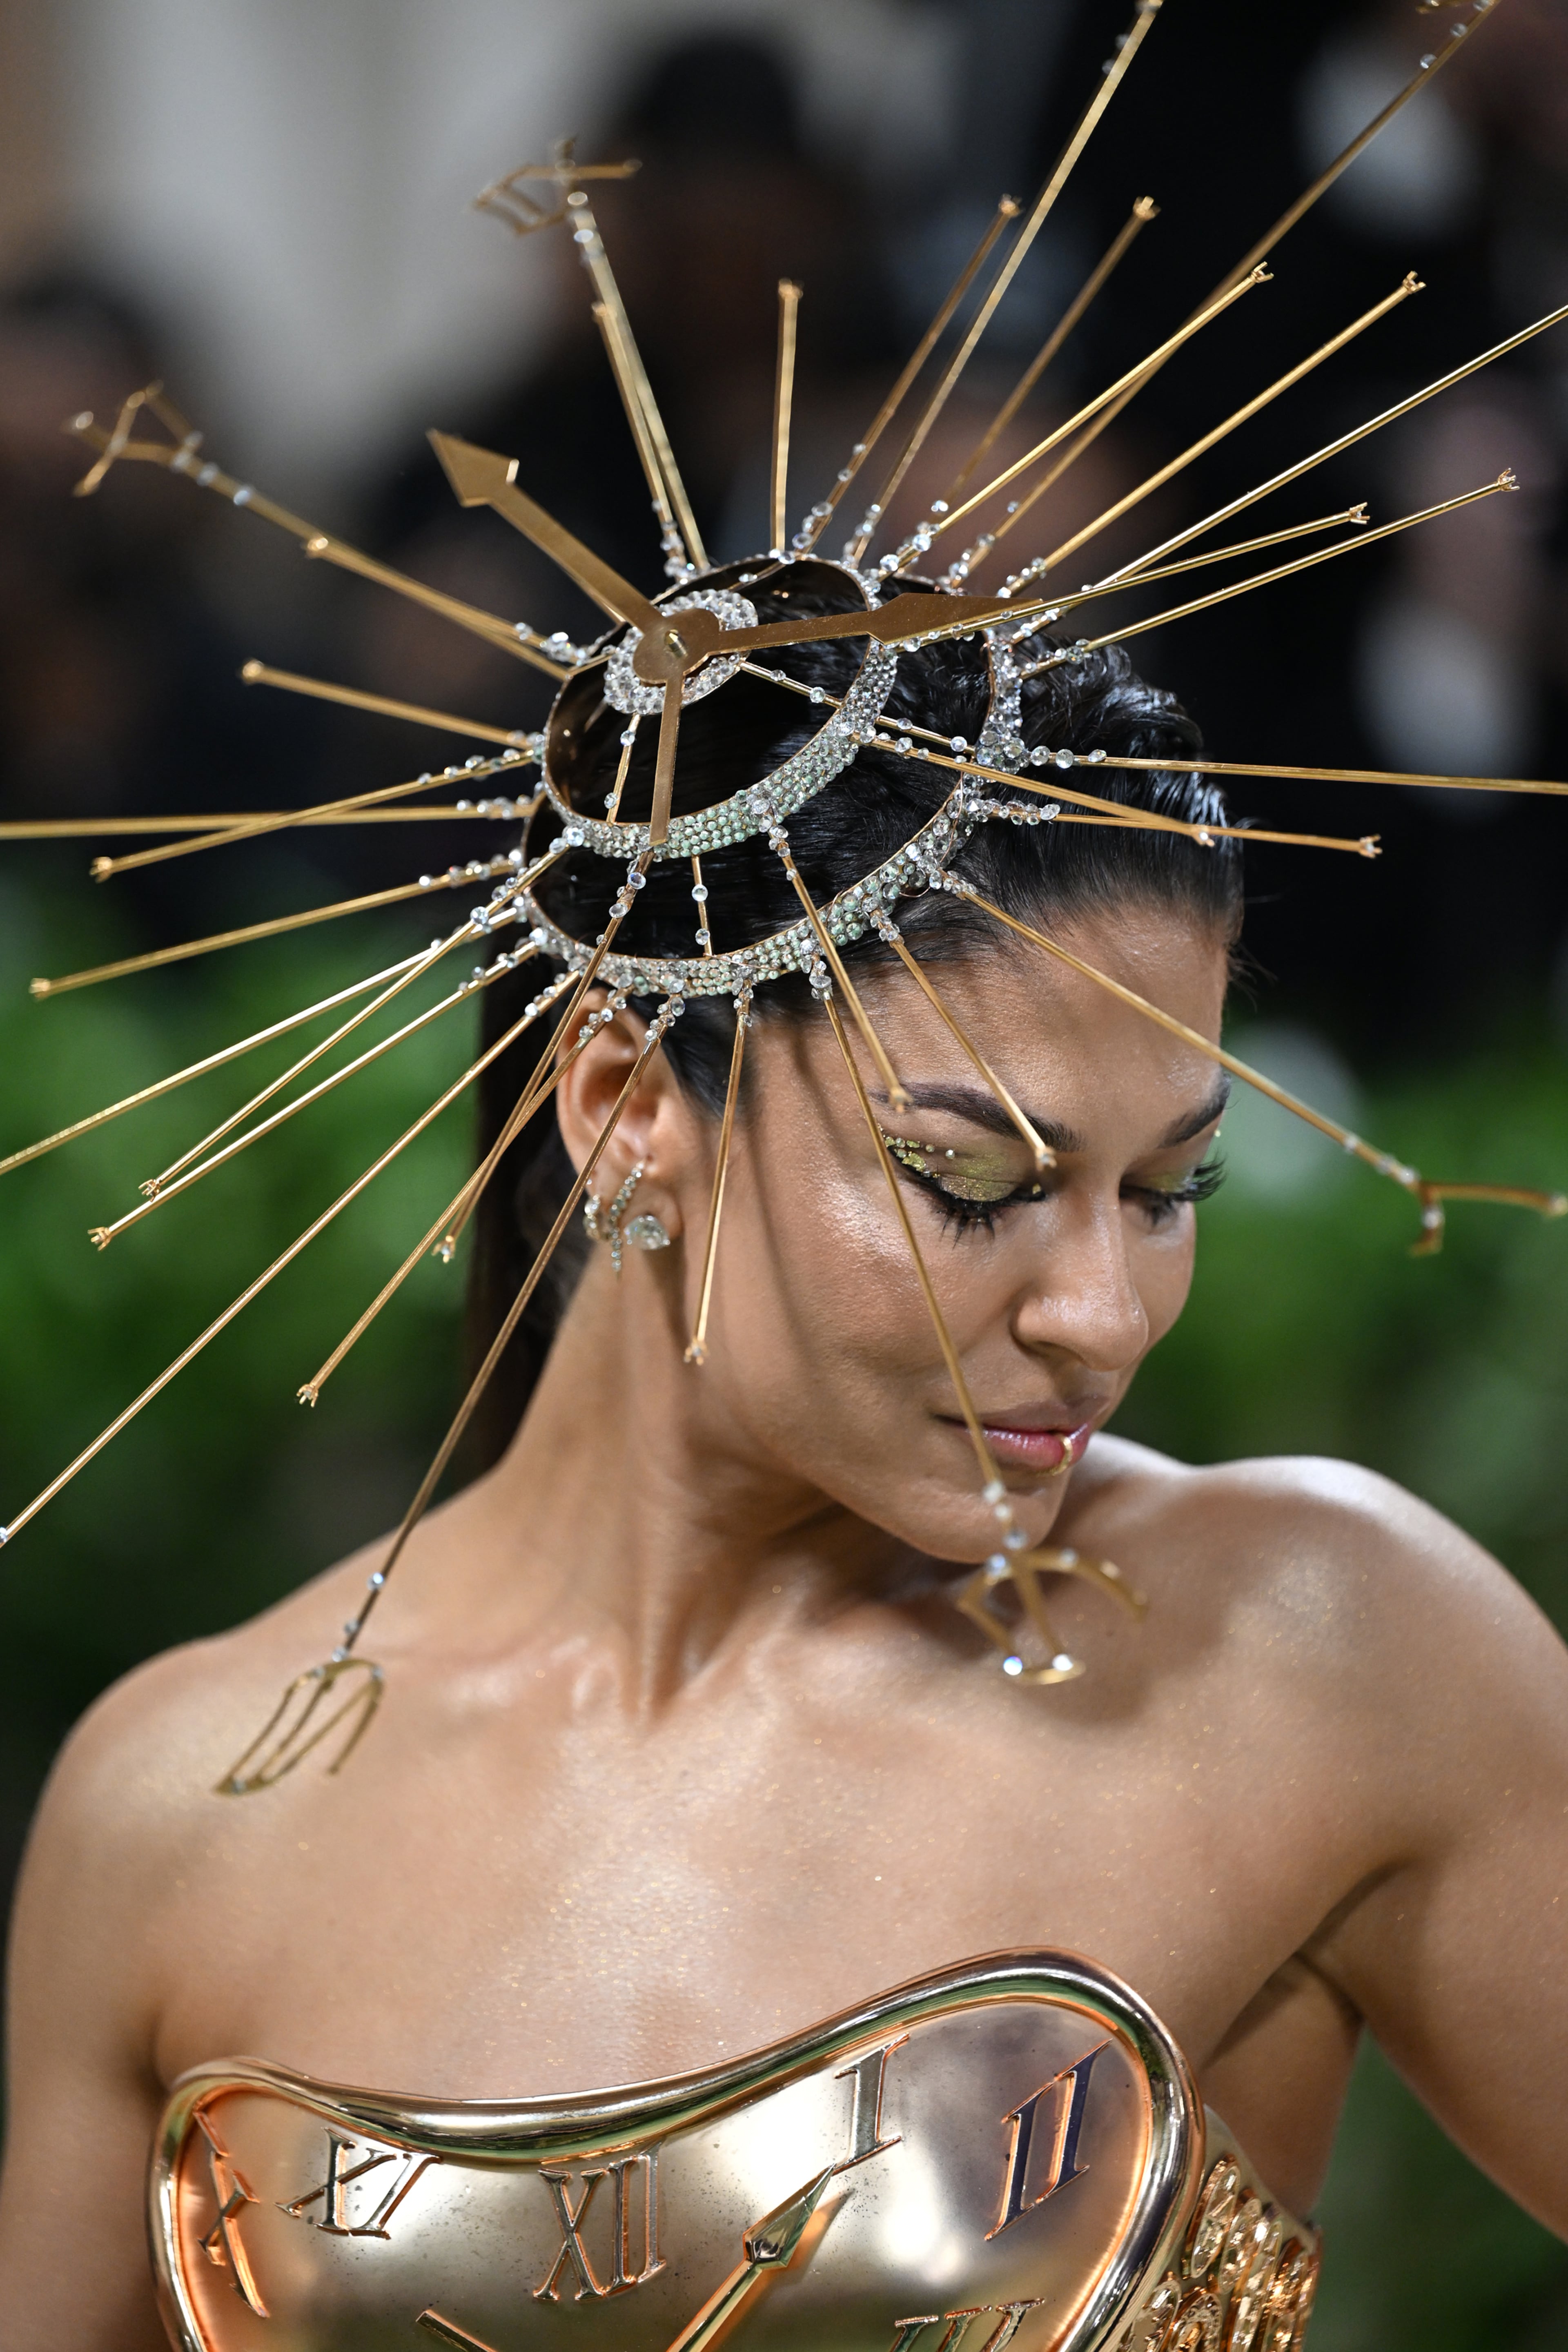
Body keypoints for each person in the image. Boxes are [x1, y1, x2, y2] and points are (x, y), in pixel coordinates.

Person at [2, 547, 1566, 2351]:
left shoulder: (1314, 1651)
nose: (1104, 1313)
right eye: (971, 1180)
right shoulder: (184, 1804)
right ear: (624, 1105)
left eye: (1167, 1189)